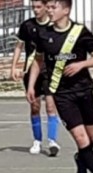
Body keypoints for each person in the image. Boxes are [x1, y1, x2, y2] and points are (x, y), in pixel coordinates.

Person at [27, 0, 93, 173]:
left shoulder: (80, 32)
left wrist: (82, 64)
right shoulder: (44, 34)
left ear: (66, 10)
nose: (49, 11)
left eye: (53, 7)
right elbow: (38, 61)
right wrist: (31, 86)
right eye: (47, 7)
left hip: (84, 90)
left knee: (92, 137)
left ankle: (81, 158)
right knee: (81, 139)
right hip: (61, 94)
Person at [11, 0, 60, 156]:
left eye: (39, 7)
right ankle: (37, 140)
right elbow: (19, 46)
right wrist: (14, 67)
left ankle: (52, 141)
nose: (36, 10)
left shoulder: (54, 26)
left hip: (50, 72)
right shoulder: (27, 26)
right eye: (33, 7)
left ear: (46, 7)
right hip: (32, 71)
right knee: (35, 107)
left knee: (51, 106)